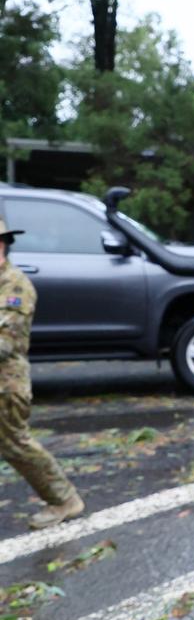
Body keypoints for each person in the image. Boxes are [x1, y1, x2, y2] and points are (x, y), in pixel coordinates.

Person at [0, 219, 83, 530]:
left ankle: (64, 499)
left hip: (5, 385)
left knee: (15, 444)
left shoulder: (15, 286)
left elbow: (5, 343)